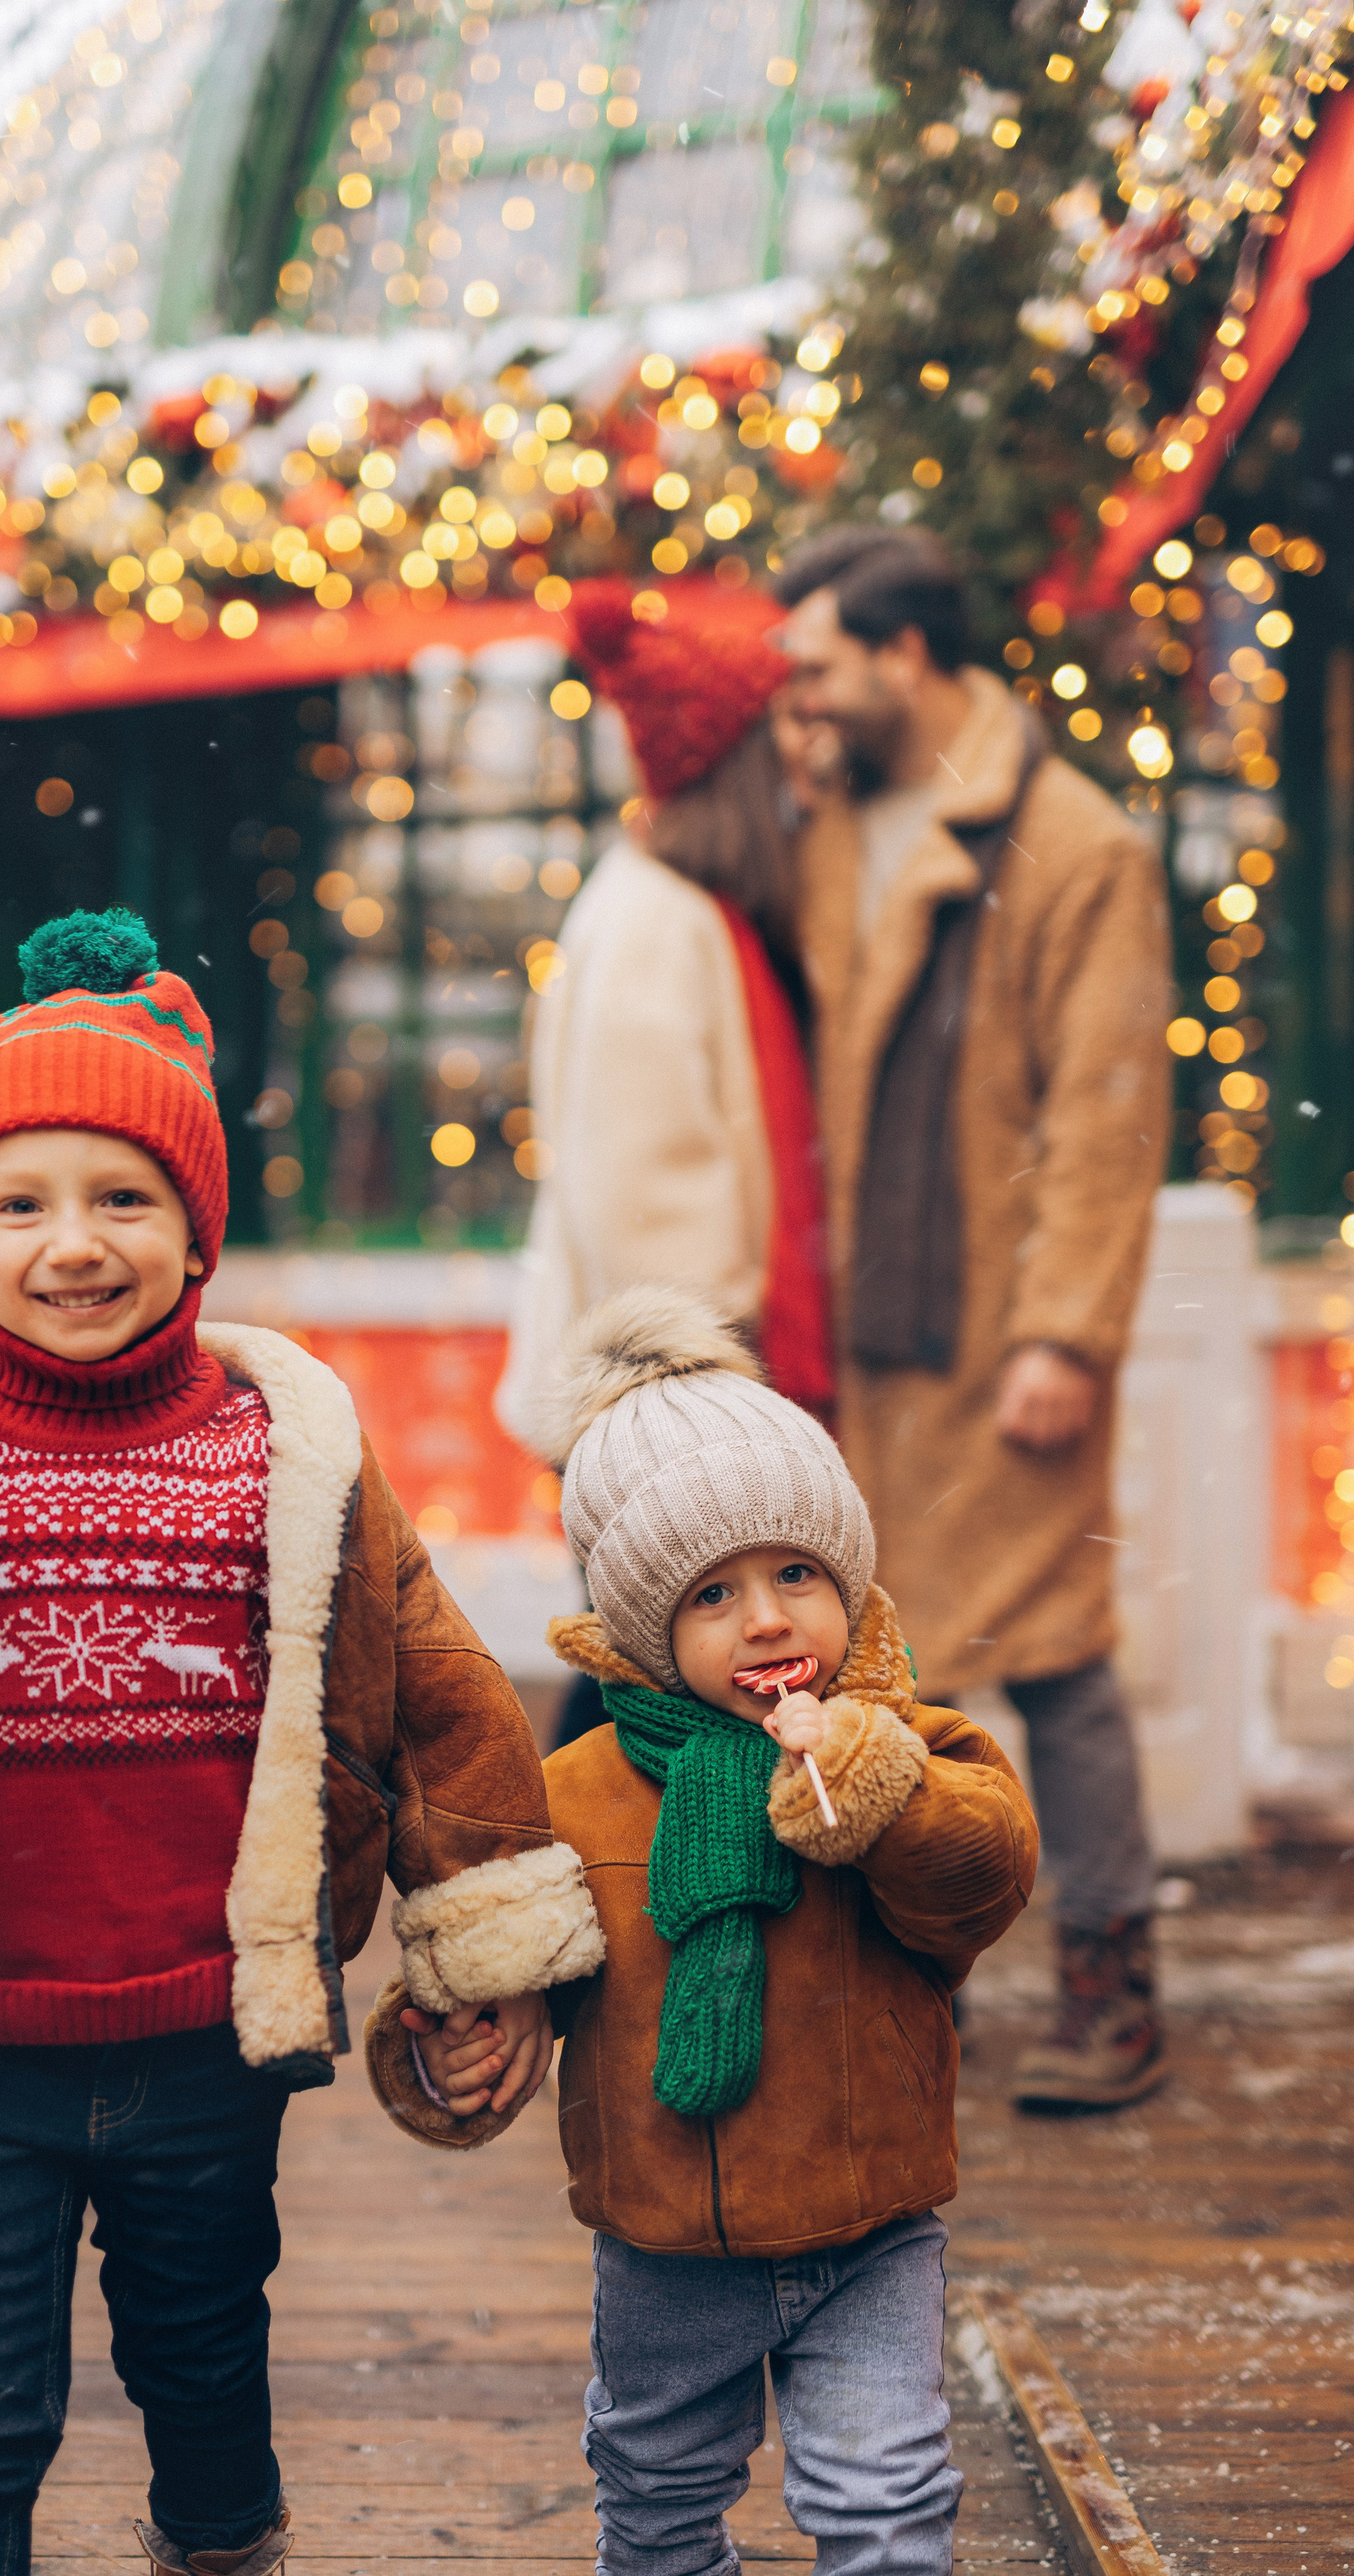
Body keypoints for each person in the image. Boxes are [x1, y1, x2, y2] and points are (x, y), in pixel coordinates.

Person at [0, 909, 602, 2576]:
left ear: (197, 1226)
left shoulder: (294, 1470)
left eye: (122, 1198)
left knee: (199, 2352)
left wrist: (484, 1952)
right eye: (22, 1204)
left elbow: (436, 1705)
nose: (73, 1245)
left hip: (206, 2032)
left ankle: (218, 2541)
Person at [369, 1286, 1038, 2576]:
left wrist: (881, 1792)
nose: (769, 1619)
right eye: (713, 1595)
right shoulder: (574, 1796)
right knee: (658, 2500)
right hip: (664, 2238)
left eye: (797, 1574)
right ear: (643, 1629)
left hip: (871, 2225)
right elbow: (498, 1957)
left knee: (888, 2497)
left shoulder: (911, 1745)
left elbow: (981, 1883)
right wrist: (451, 2043)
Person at [774, 527, 1173, 2110]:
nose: (800, 697)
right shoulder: (829, 822)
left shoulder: (1075, 844)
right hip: (865, 1331)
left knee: (1055, 1656)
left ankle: (1111, 1991)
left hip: (1002, 1328)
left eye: (819, 666)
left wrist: (1066, 1332)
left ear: (905, 655)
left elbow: (1106, 1108)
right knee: (879, 1662)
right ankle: (910, 1990)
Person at [497, 578, 835, 1750]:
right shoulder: (659, 924)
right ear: (734, 766)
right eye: (783, 738)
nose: (805, 769)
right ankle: (551, 1849)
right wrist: (717, 1390)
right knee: (644, 1686)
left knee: (645, 1675)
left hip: (658, 1386)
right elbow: (647, 1201)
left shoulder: (678, 907)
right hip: (663, 1396)